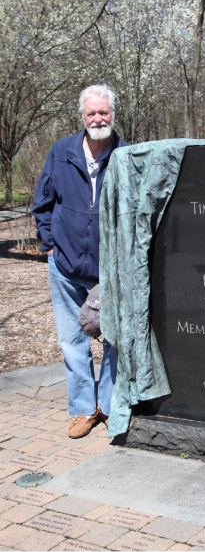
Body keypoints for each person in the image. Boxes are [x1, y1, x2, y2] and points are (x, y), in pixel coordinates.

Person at [33, 84, 127, 438]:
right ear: (82, 117)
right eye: (91, 113)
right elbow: (43, 202)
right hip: (65, 266)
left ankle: (109, 405)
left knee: (116, 340)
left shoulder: (125, 155)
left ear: (113, 114)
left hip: (109, 270)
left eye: (104, 112)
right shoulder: (62, 152)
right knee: (73, 341)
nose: (98, 118)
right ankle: (84, 410)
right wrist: (49, 244)